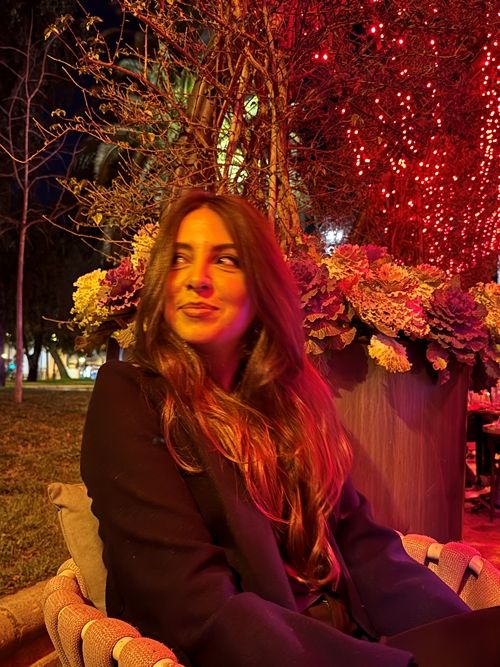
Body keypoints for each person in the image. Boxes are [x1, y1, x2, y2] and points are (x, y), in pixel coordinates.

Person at [81, 191, 500, 667]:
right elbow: (192, 605)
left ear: (262, 288)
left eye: (225, 260)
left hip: (351, 636)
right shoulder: (132, 396)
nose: (196, 278)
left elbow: (363, 545)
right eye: (180, 258)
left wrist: (466, 634)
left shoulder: (287, 404)